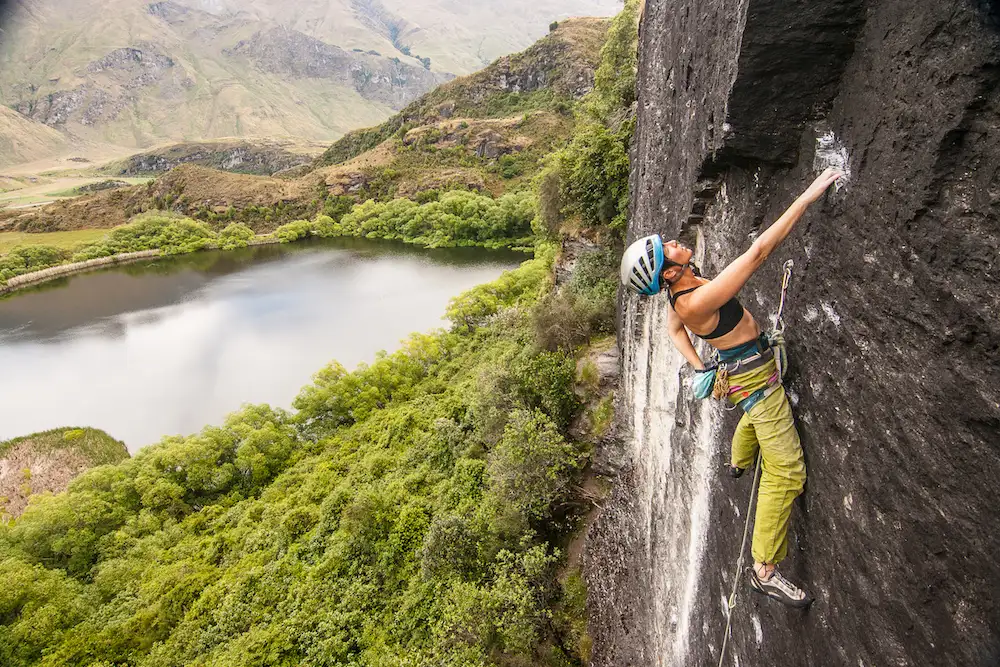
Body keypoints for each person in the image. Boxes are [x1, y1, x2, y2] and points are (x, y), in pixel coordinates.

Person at [619, 167, 842, 607]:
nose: (676, 243)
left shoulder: (679, 299)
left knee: (751, 415)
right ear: (667, 274)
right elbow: (759, 253)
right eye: (668, 249)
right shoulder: (696, 298)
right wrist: (807, 196)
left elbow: (673, 330)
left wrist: (699, 363)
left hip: (738, 373)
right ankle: (764, 569)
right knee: (787, 470)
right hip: (756, 380)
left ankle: (738, 461)